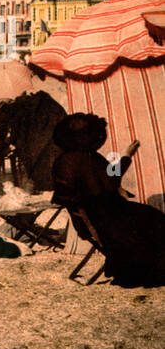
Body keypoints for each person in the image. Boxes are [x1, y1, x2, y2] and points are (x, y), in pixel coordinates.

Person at [51, 113, 165, 287]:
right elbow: (111, 179)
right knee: (154, 220)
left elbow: (102, 181)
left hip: (92, 220)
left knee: (150, 216)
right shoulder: (87, 158)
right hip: (107, 220)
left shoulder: (63, 160)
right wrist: (127, 155)